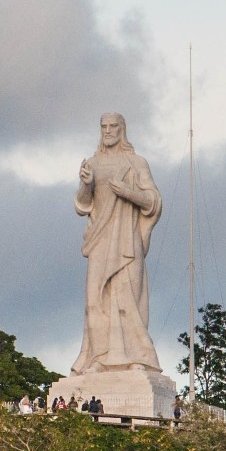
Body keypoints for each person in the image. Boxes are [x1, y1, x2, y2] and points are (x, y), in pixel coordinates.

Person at [71, 113, 163, 375]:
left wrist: (128, 192)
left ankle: (138, 357)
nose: (108, 131)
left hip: (126, 240)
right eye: (104, 127)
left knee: (128, 300)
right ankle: (98, 357)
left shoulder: (136, 163)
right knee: (94, 300)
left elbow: (154, 201)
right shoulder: (92, 163)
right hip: (100, 238)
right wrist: (85, 185)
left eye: (113, 126)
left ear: (122, 130)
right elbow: (82, 205)